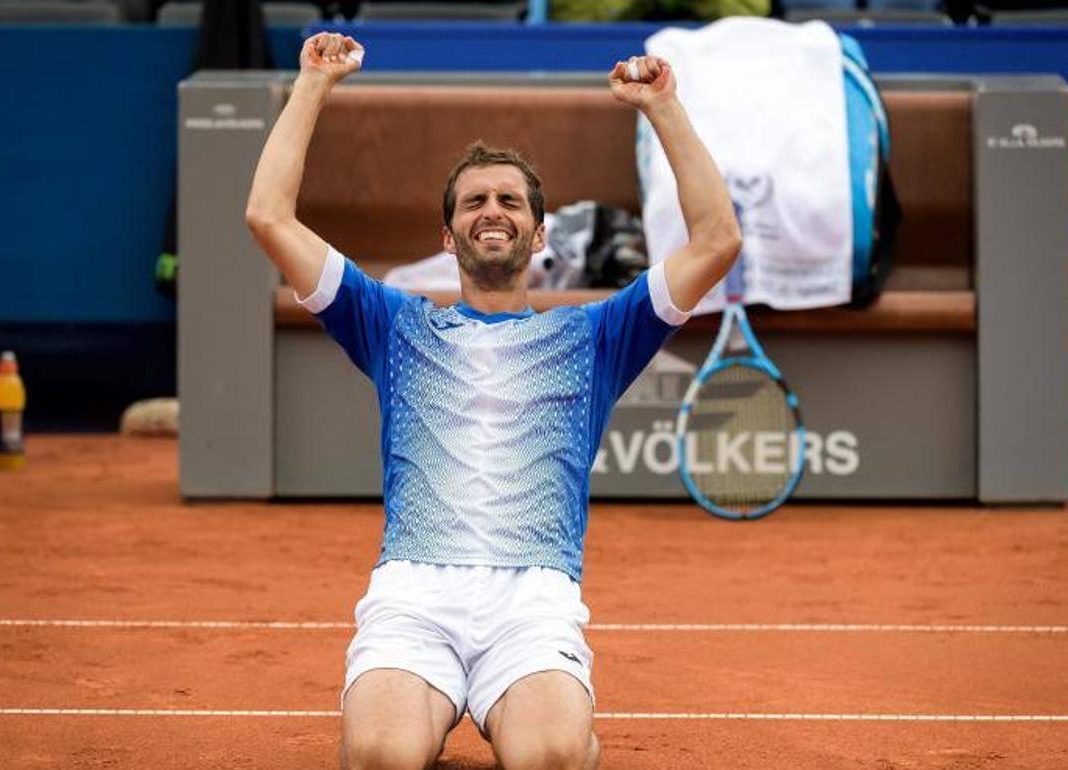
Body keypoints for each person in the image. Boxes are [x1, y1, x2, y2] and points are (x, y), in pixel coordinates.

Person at [245, 32, 740, 770]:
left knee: (550, 758)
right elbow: (269, 218)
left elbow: (716, 239)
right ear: (448, 235)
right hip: (415, 593)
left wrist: (662, 107)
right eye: (474, 202)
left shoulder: (597, 336)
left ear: (540, 234)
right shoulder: (392, 324)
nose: (492, 210)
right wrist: (312, 84)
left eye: (511, 201)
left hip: (533, 600)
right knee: (380, 757)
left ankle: (553, 724)